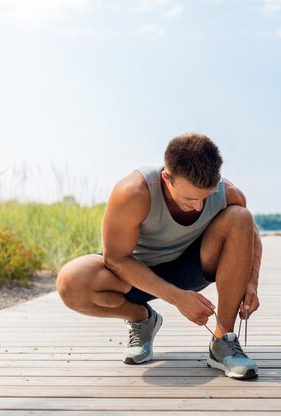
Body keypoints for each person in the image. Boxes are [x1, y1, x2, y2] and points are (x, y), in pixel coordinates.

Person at [56, 133, 262, 380]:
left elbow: (251, 234)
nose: (198, 207)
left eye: (204, 197)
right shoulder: (132, 192)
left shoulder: (229, 193)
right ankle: (142, 319)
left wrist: (251, 282)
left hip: (192, 267)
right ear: (167, 177)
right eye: (189, 198)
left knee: (240, 217)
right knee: (70, 281)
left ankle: (223, 341)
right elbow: (116, 259)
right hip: (134, 272)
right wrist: (177, 298)